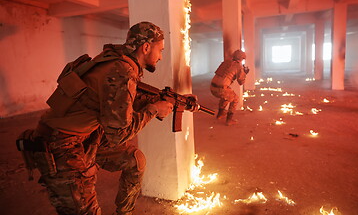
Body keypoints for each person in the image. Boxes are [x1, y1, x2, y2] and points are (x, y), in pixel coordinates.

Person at [29, 21, 174, 215]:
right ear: (146, 47)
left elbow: (118, 101)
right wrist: (153, 110)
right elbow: (118, 135)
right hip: (60, 144)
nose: (161, 56)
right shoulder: (122, 71)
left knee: (134, 160)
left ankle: (125, 212)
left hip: (85, 136)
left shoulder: (114, 60)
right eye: (160, 50)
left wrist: (164, 101)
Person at [210, 49, 249, 126]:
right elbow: (241, 82)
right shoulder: (238, 66)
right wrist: (245, 73)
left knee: (227, 96)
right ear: (241, 58)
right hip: (221, 89)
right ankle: (229, 120)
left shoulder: (225, 62)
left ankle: (220, 115)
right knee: (235, 99)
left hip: (212, 87)